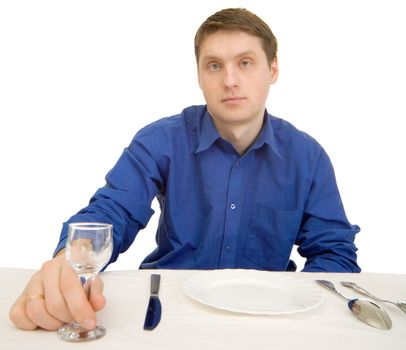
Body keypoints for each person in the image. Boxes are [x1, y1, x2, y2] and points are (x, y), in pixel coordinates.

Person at [9, 8, 360, 331]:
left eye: (246, 62)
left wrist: (299, 310)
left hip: (267, 314)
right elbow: (112, 211)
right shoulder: (160, 140)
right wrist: (72, 262)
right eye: (214, 66)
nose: (230, 80)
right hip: (166, 308)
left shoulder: (307, 156)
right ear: (199, 75)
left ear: (273, 70)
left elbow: (334, 252)